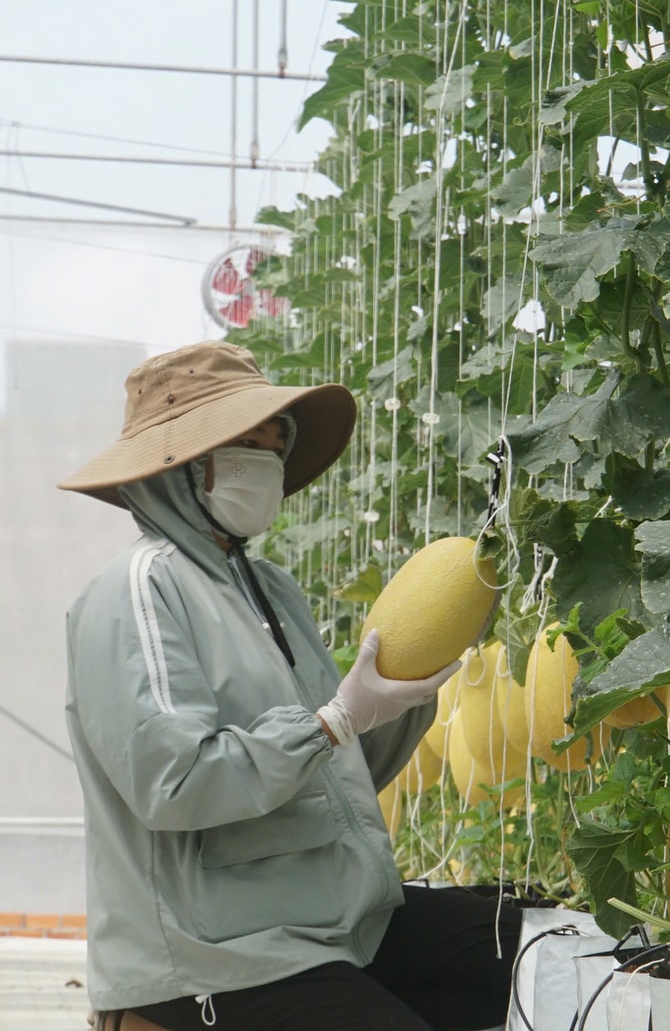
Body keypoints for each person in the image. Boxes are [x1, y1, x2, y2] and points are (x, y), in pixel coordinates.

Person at [59, 340, 520, 1031]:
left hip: (325, 920)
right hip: (212, 951)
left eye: (276, 445)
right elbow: (174, 782)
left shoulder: (267, 587)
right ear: (179, 465)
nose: (267, 463)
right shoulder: (139, 589)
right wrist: (332, 721)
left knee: (532, 952)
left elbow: (332, 771)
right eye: (247, 443)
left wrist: (396, 699)